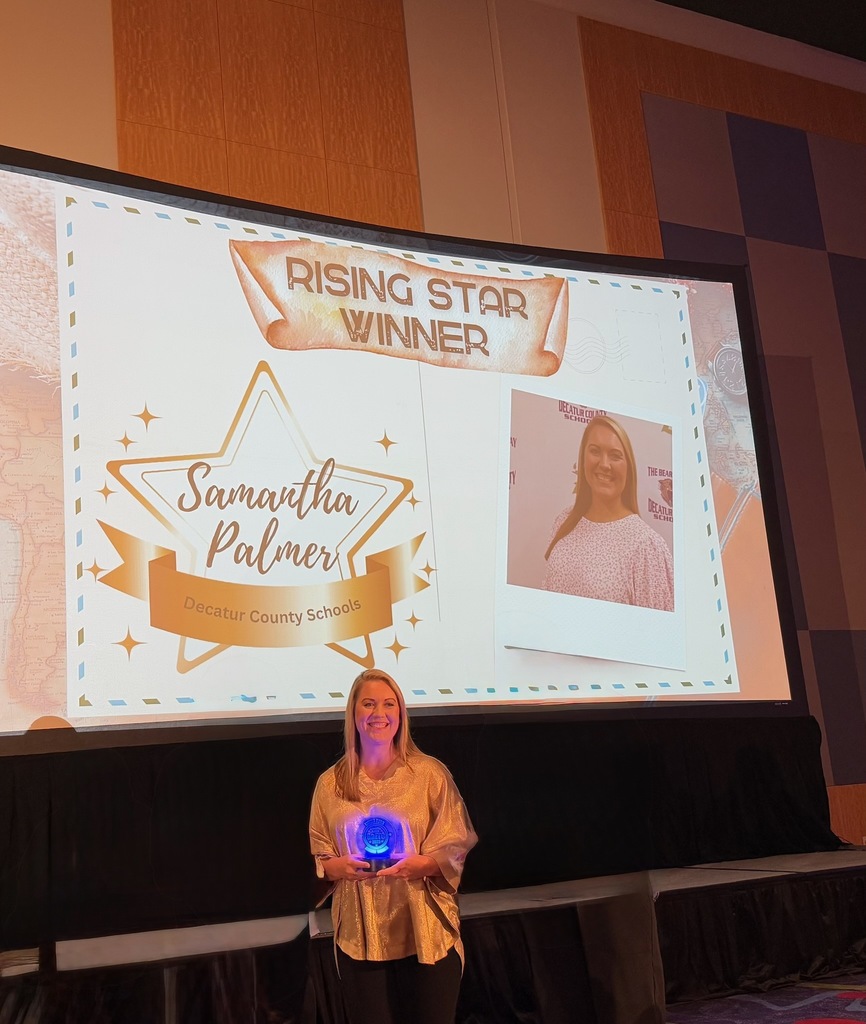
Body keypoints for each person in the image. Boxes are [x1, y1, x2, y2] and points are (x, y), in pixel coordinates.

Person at [309, 668, 477, 1024]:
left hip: (426, 930)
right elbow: (320, 856)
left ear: (401, 714)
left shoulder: (430, 774)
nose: (379, 714)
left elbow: (456, 843)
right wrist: (336, 868)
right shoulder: (329, 785)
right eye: (368, 704)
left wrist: (425, 864)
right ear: (353, 713)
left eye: (389, 704)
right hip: (360, 933)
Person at [542, 414, 674, 611]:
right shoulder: (564, 521)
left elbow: (658, 636)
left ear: (628, 467)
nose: (604, 464)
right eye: (595, 451)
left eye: (615, 456)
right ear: (583, 458)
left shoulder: (647, 547)